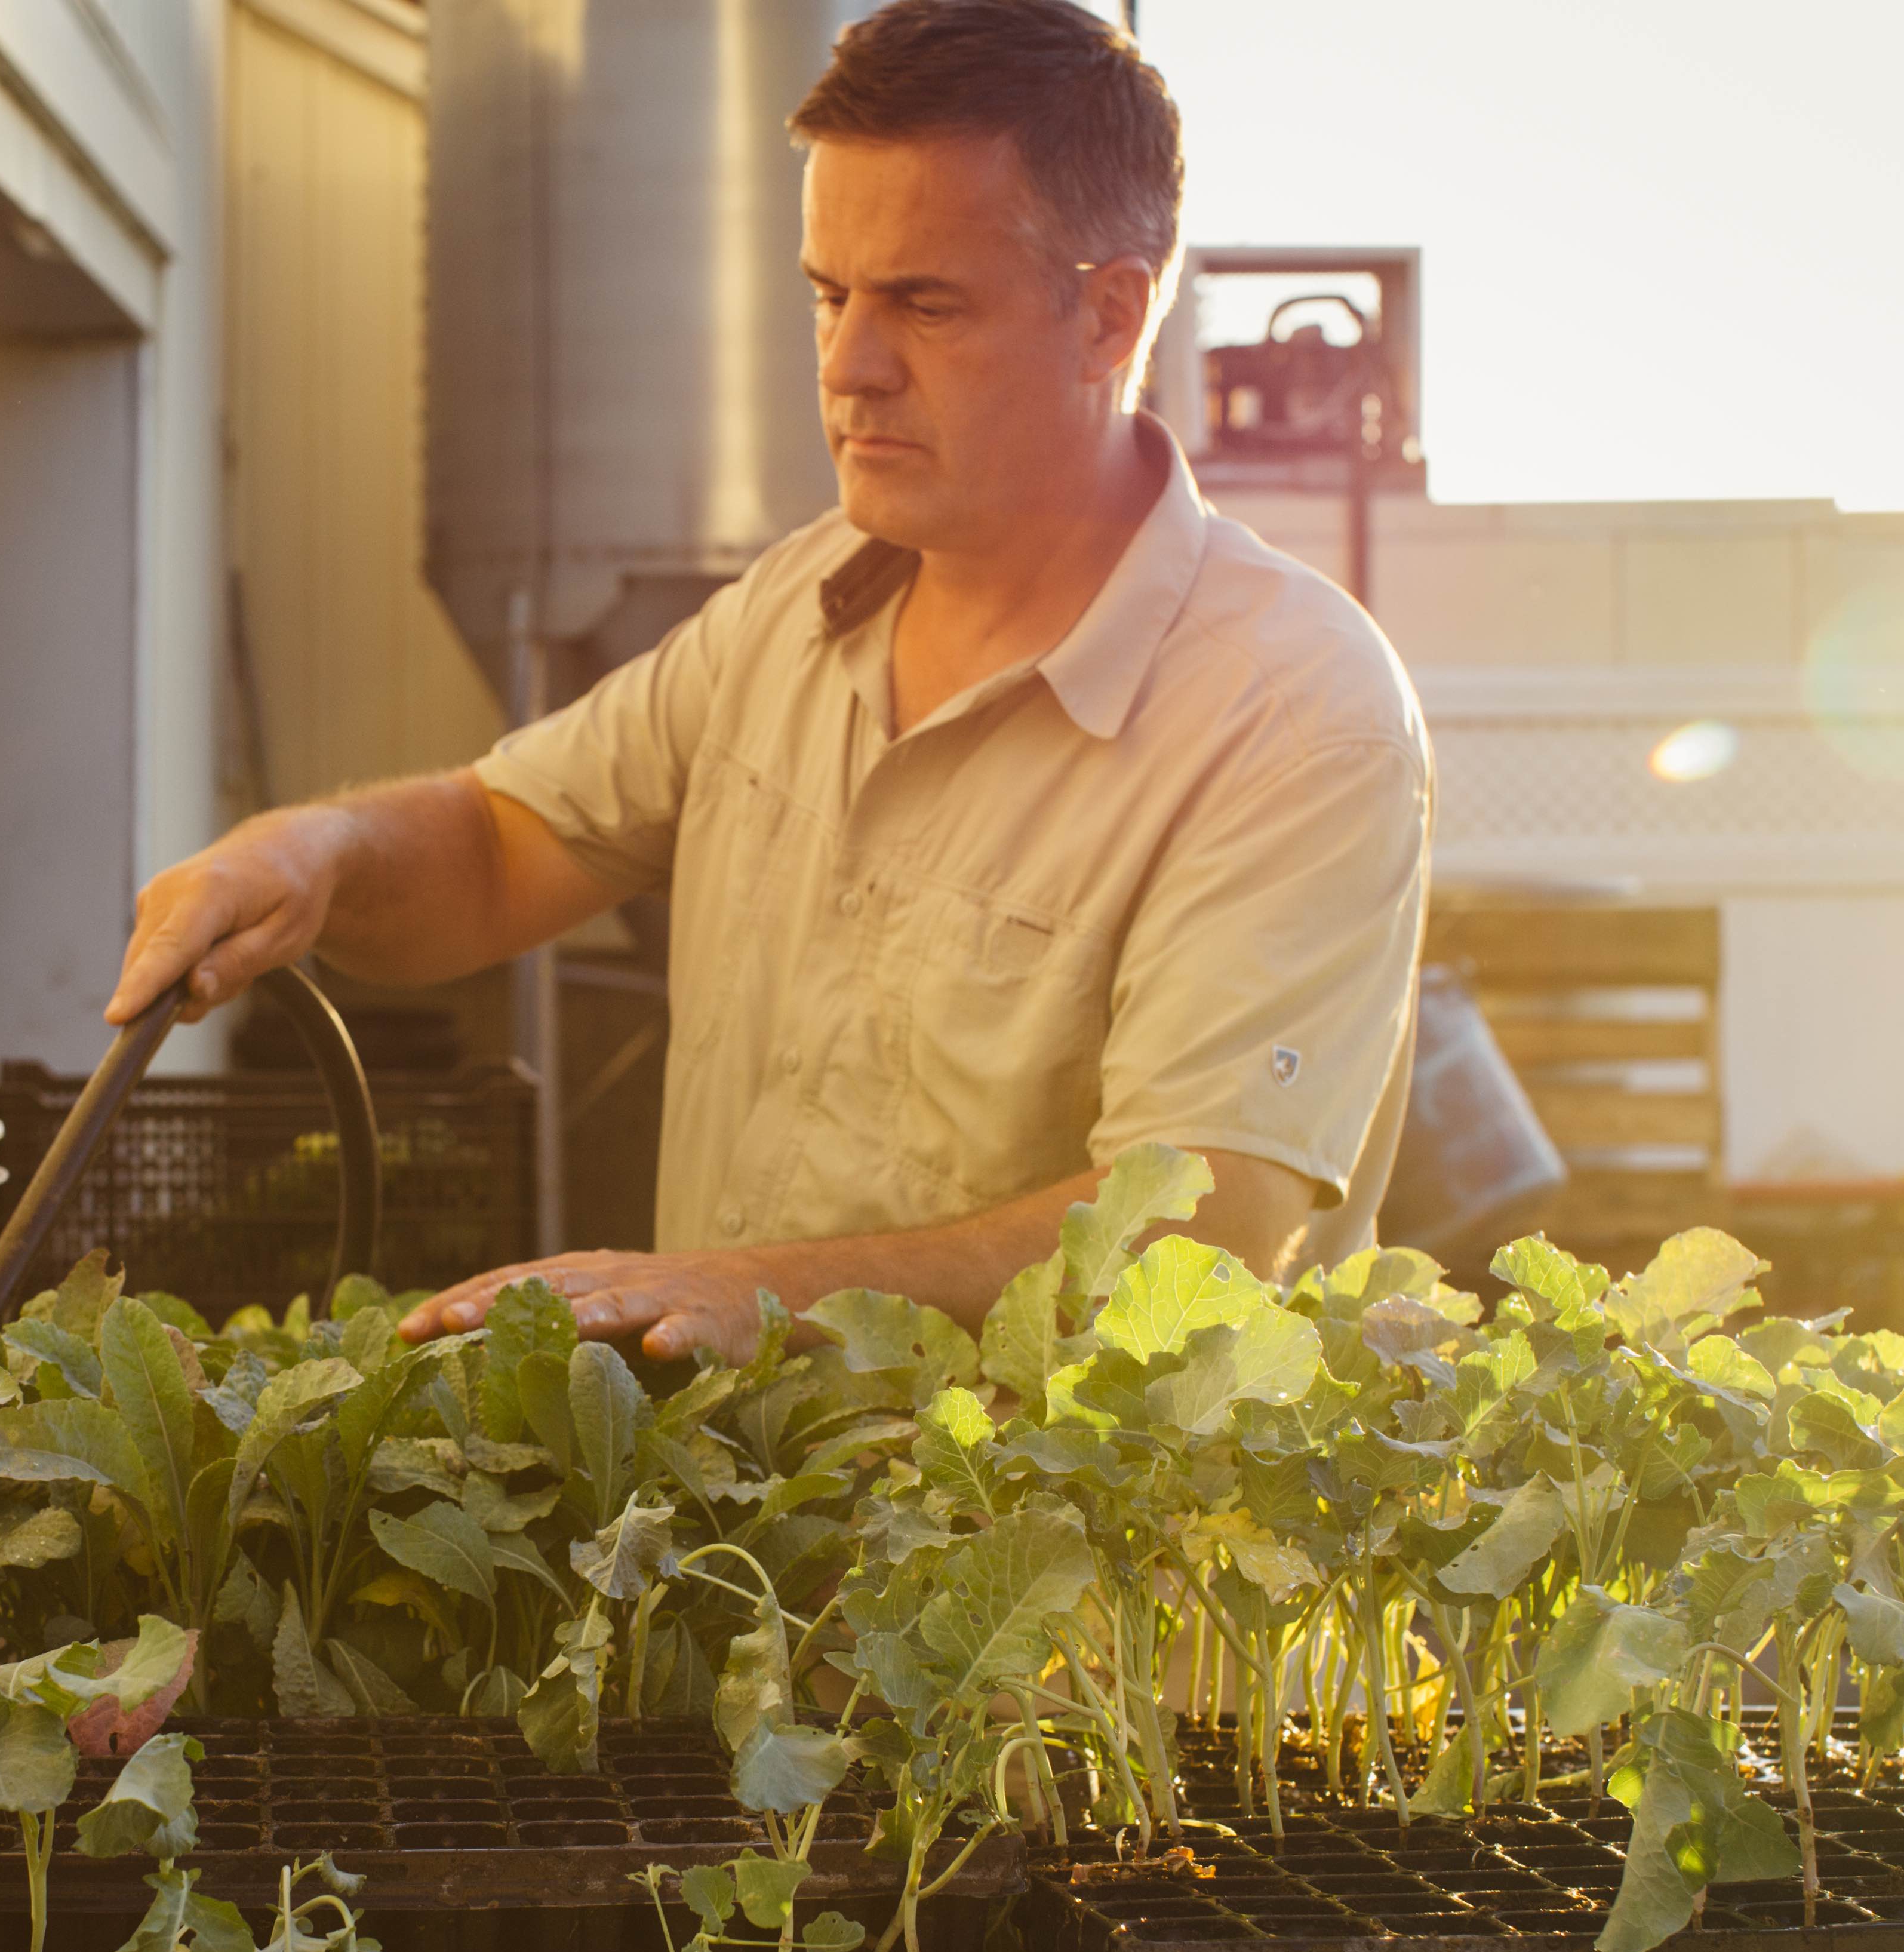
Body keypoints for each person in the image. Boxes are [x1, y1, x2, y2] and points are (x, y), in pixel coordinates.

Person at [108, 0, 1429, 1364]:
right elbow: (509, 846)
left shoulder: (1292, 712)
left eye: (923, 302)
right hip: (736, 1553)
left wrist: (752, 1290)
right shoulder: (799, 604)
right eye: (827, 293)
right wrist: (314, 853)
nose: (850, 366)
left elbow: (1203, 1240)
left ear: (1109, 314)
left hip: (1047, 1569)